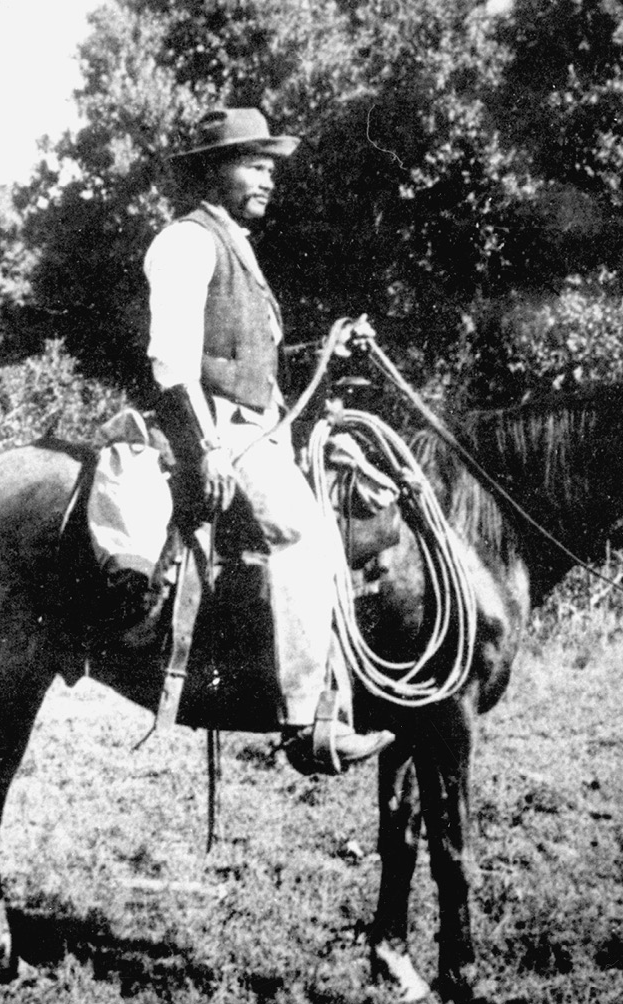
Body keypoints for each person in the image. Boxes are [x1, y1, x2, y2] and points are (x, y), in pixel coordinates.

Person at [142, 107, 393, 774]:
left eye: (270, 167)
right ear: (212, 170)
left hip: (261, 427)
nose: (268, 179)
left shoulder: (234, 244)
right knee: (299, 535)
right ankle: (306, 723)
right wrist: (209, 448)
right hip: (222, 428)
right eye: (254, 164)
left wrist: (326, 348)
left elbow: (246, 356)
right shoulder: (186, 242)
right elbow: (170, 360)